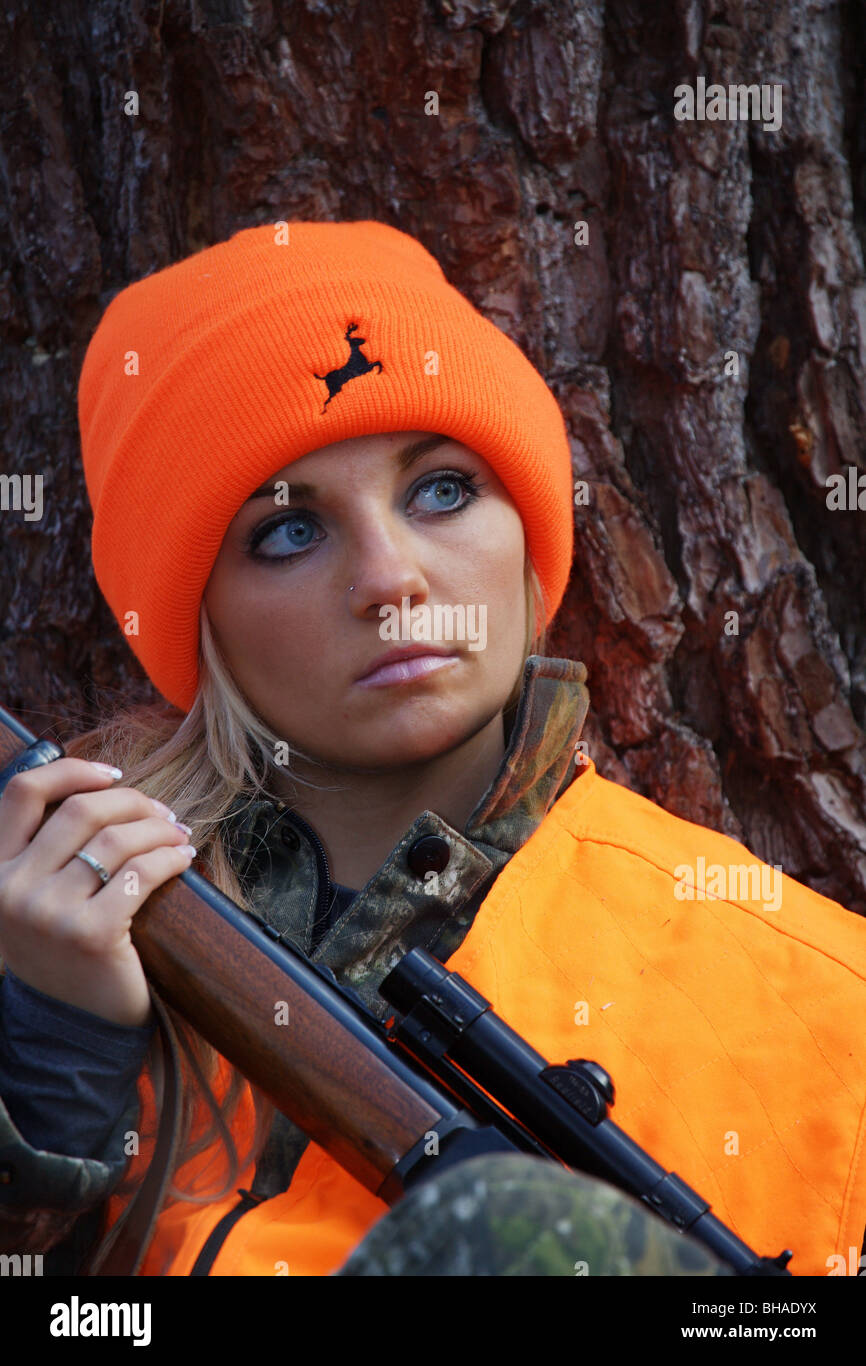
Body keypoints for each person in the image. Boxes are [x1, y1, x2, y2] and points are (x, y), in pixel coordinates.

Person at [0, 220, 864, 1279]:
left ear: (526, 538)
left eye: (442, 490)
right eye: (287, 530)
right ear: (200, 616)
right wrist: (50, 1078)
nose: (388, 578)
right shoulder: (52, 943)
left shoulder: (824, 1005)